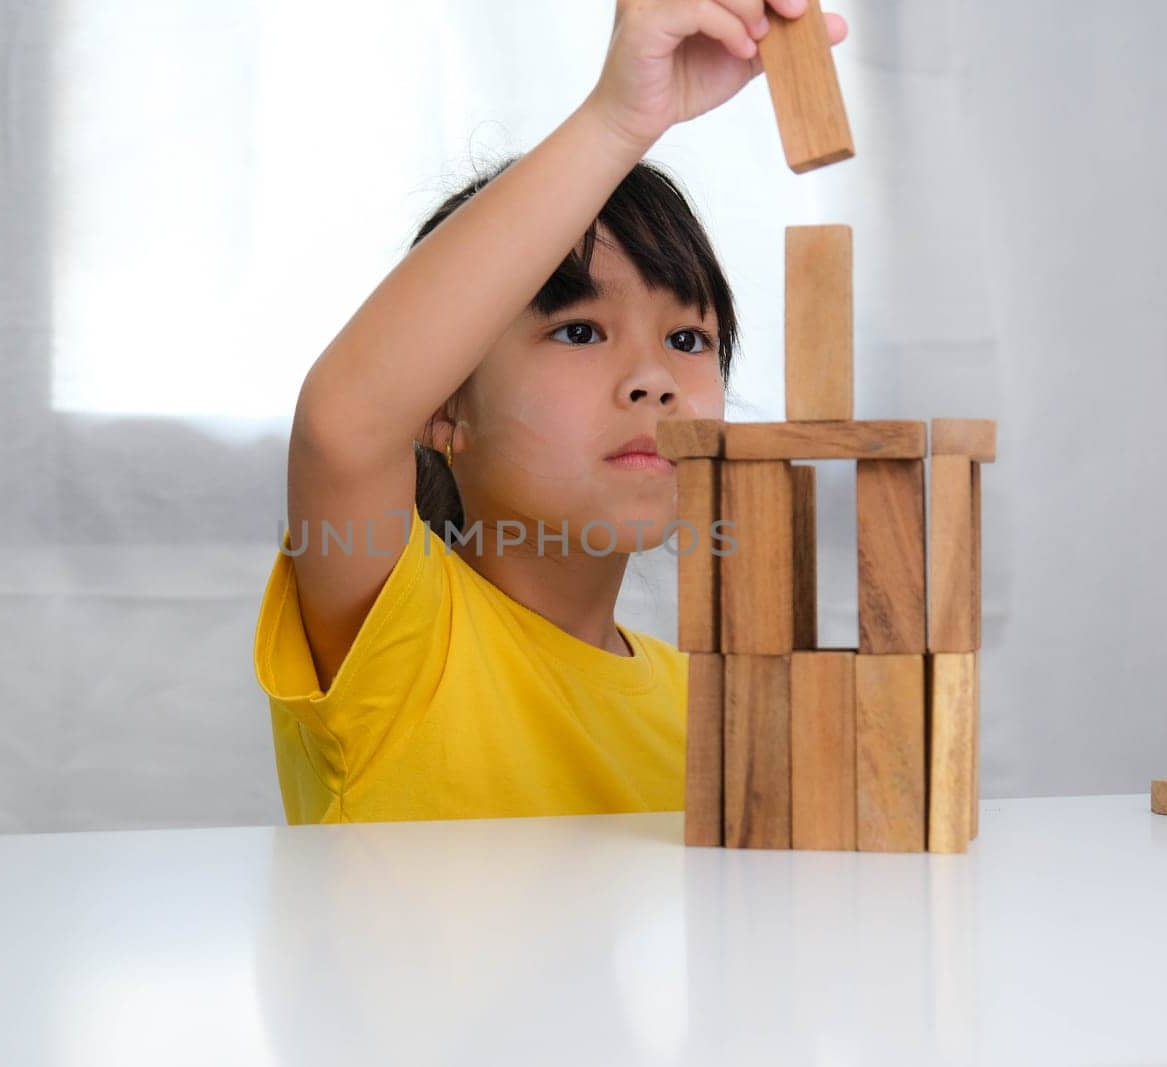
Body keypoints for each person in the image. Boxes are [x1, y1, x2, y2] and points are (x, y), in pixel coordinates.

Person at [253, 0, 849, 824]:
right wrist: (618, 123)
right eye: (578, 329)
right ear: (442, 409)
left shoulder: (711, 702)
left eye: (687, 336)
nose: (653, 379)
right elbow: (343, 422)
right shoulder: (407, 642)